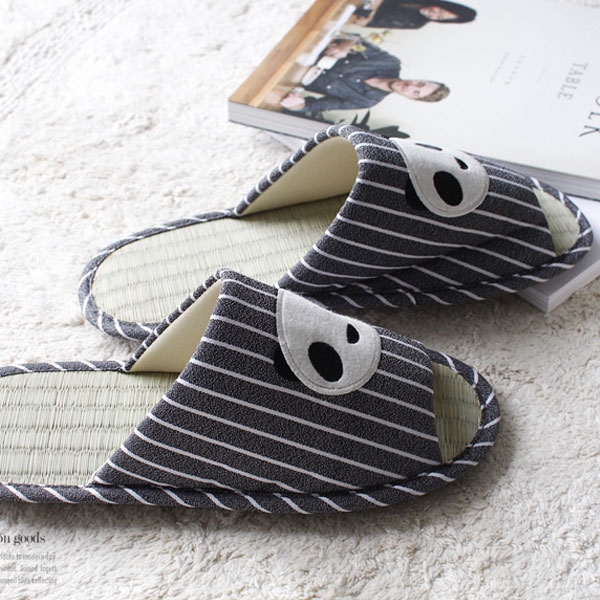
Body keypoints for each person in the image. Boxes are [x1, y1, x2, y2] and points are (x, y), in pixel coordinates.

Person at [280, 38, 449, 117]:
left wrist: (297, 104)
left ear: (411, 99)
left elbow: (317, 105)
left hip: (288, 77)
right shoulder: (390, 63)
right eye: (420, 83)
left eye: (416, 92)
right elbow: (356, 40)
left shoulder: (367, 101)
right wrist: (345, 46)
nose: (411, 86)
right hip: (303, 50)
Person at [351, 1, 477, 29]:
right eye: (439, 10)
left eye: (439, 17)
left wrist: (373, 6)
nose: (433, 13)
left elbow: (365, 23)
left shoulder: (415, 24)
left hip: (352, 9)